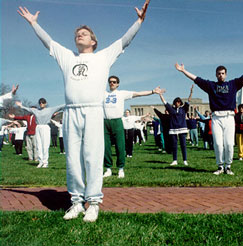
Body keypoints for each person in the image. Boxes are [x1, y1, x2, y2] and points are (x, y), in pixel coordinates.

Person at [17, 0, 150, 222]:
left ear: (94, 41)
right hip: (72, 113)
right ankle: (76, 202)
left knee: (93, 157)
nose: (80, 34)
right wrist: (33, 24)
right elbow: (48, 42)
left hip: (93, 111)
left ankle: (94, 203)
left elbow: (124, 41)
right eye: (77, 33)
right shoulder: (68, 57)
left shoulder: (103, 57)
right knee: (73, 159)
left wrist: (139, 21)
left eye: (84, 33)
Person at [175, 59, 243, 175]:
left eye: (223, 73)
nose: (221, 75)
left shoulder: (233, 84)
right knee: (218, 144)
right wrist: (184, 71)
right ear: (216, 75)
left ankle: (228, 166)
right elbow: (196, 79)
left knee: (229, 144)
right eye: (219, 73)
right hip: (216, 118)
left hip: (229, 117)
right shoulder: (211, 86)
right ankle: (220, 166)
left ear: (226, 74)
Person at [103, 75, 164, 178]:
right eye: (110, 82)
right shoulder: (103, 94)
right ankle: (108, 169)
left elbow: (138, 94)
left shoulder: (121, 94)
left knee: (120, 146)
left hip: (117, 121)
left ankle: (120, 168)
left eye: (114, 82)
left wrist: (153, 91)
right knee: (106, 147)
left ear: (117, 84)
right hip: (105, 122)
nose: (112, 83)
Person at [15, 99, 64, 168]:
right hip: (38, 127)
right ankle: (40, 161)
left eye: (43, 102)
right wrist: (21, 106)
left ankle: (45, 162)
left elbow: (60, 107)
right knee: (39, 145)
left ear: (45, 103)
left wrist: (70, 103)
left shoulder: (50, 109)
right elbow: (28, 109)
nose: (41, 104)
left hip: (45, 127)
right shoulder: (36, 110)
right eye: (40, 103)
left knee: (45, 145)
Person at [158, 89, 191, 166]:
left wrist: (191, 92)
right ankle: (175, 160)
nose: (178, 103)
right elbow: (164, 102)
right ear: (174, 102)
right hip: (173, 129)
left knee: (183, 145)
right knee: (174, 145)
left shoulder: (184, 109)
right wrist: (160, 94)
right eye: (176, 101)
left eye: (179, 102)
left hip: (182, 128)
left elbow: (189, 100)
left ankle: (185, 160)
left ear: (181, 103)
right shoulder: (171, 109)